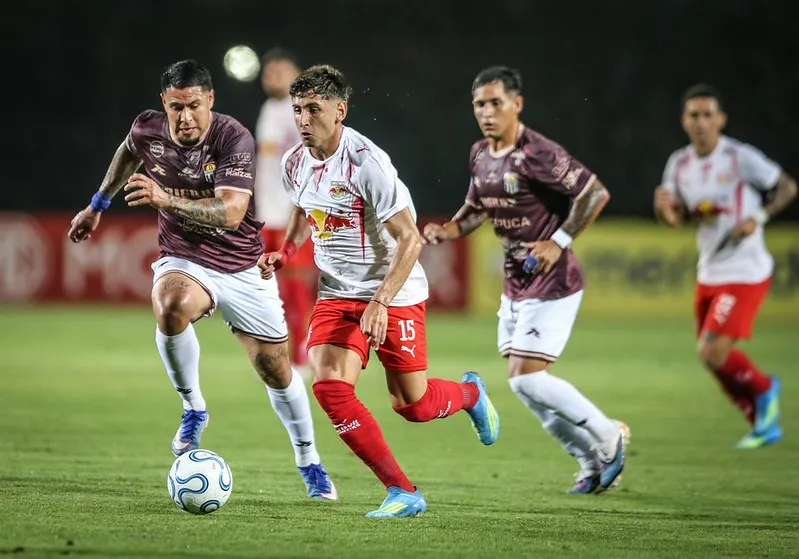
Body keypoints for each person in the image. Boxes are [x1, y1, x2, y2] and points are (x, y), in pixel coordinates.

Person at [67, 59, 337, 500]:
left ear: (210, 100)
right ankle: (194, 408)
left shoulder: (233, 138)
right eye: (176, 107)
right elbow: (128, 151)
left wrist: (164, 198)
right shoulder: (148, 129)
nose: (186, 117)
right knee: (170, 306)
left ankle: (310, 463)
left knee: (277, 369)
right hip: (186, 260)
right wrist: (98, 204)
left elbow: (231, 214)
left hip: (244, 266)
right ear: (164, 104)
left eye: (194, 105)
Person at [258, 64, 500, 518]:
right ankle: (402, 490)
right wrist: (287, 251)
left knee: (413, 405)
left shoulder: (366, 163)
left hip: (395, 290)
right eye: (297, 110)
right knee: (329, 385)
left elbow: (410, 239)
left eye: (314, 109)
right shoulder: (295, 161)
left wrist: (381, 302)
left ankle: (470, 395)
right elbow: (302, 211)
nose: (304, 120)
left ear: (341, 110)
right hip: (336, 293)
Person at [423, 66, 625, 495]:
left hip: (554, 281)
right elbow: (475, 207)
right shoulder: (480, 152)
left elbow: (594, 193)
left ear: (517, 104)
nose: (487, 112)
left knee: (529, 378)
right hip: (516, 285)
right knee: (524, 386)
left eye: (497, 103)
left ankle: (609, 438)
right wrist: (448, 230)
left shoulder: (539, 152)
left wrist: (559, 240)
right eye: (480, 104)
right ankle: (589, 464)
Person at [654, 83, 797, 449]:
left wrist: (759, 218)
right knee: (711, 358)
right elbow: (676, 219)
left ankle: (766, 389)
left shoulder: (739, 157)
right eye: (694, 115)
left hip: (746, 270)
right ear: (684, 121)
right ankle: (761, 423)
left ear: (721, 120)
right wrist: (664, 208)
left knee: (712, 351)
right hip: (709, 271)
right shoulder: (679, 164)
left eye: (708, 115)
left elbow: (787, 187)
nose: (701, 122)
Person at [254, 48, 316, 373]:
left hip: (293, 211)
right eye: (269, 72)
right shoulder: (269, 108)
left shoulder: (303, 110)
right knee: (273, 287)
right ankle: (285, 352)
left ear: (297, 72)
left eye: (280, 70)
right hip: (267, 212)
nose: (272, 77)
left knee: (295, 285)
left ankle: (303, 354)